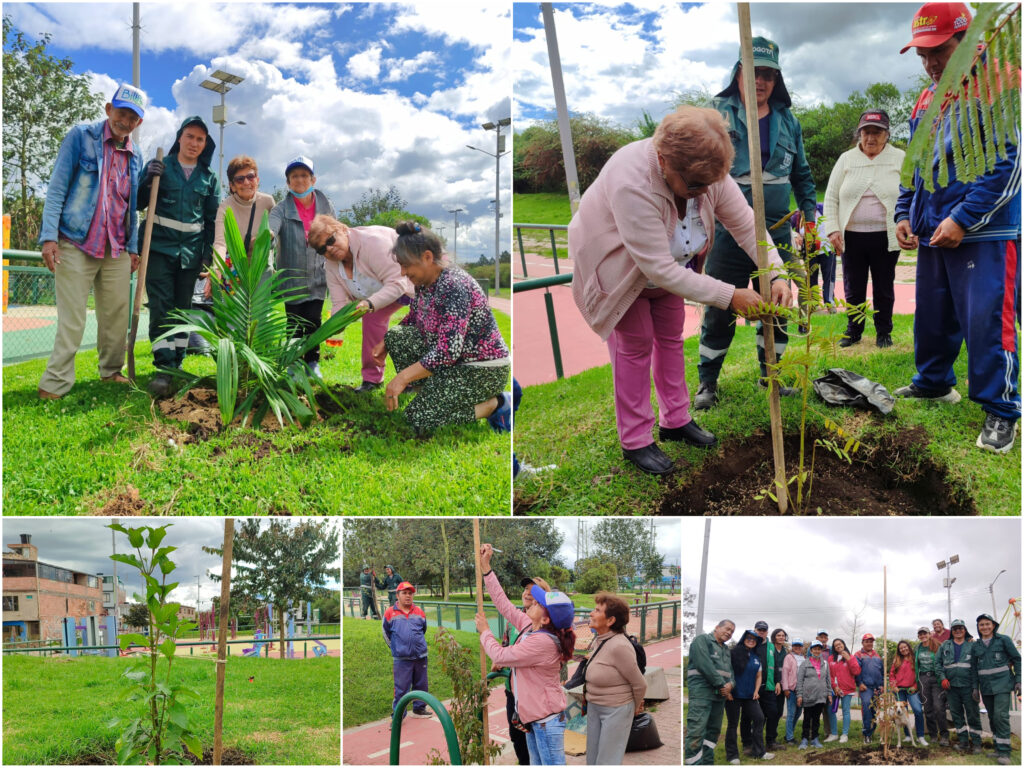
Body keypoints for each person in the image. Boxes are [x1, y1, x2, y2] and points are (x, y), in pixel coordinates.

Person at [568, 105, 790, 474]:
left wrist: (777, 272)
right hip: (621, 266)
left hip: (671, 267)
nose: (704, 193)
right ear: (664, 160)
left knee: (671, 336)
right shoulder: (633, 182)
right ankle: (636, 440)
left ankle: (676, 419)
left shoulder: (707, 172)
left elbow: (746, 224)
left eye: (710, 184)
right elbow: (656, 267)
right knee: (634, 344)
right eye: (695, 186)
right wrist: (731, 296)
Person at [894, 2, 1021, 453]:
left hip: (984, 230)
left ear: (966, 41)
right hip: (932, 226)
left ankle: (1002, 409)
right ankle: (933, 382)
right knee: (933, 315)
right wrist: (904, 212)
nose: (930, 64)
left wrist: (963, 219)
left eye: (939, 51)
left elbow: (1009, 164)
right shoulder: (928, 96)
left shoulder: (1002, 81)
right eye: (922, 55)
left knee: (987, 321)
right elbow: (915, 164)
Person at [693, 36, 816, 410]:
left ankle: (773, 379)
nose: (760, 81)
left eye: (768, 74)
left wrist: (810, 219)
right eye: (753, 72)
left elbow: (804, 178)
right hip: (728, 234)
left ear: (776, 80)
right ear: (738, 73)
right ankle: (707, 384)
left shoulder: (788, 122)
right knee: (719, 309)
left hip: (777, 233)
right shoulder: (715, 114)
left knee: (776, 306)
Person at [37, 84, 146, 400]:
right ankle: (55, 382)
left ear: (139, 123)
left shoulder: (134, 155)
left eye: (133, 117)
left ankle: (111, 371)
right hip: (75, 242)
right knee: (73, 318)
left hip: (117, 248)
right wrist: (48, 238)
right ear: (109, 109)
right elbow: (57, 188)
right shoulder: (80, 137)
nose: (125, 120)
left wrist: (134, 248)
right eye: (122, 112)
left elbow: (132, 205)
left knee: (115, 316)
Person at [372, 222, 511, 433]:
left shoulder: (454, 285)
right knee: (396, 335)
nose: (402, 271)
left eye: (406, 265)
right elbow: (415, 316)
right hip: (454, 364)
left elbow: (448, 351)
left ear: (427, 257)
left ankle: (496, 405)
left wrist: (402, 378)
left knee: (417, 419)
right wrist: (385, 341)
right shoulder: (424, 283)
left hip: (481, 370)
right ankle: (434, 397)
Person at [138, 116, 220, 397]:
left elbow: (211, 220)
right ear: (180, 137)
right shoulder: (162, 168)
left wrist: (208, 256)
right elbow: (138, 202)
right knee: (161, 309)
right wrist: (148, 179)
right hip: (159, 250)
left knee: (183, 311)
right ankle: (163, 368)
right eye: (190, 136)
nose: (195, 143)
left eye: (200, 139)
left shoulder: (209, 178)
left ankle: (177, 363)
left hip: (191, 255)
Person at [475, 543, 575, 766]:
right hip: (534, 720)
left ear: (546, 618)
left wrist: (485, 633)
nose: (530, 600)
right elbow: (504, 605)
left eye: (537, 601)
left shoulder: (542, 642)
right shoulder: (531, 627)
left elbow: (501, 655)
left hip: (546, 722)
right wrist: (487, 569)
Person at [823, 109, 906, 348]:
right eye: (866, 132)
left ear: (887, 135)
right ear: (859, 134)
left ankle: (883, 332)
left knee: (884, 285)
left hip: (886, 235)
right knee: (853, 285)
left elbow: (912, 193)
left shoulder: (899, 158)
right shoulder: (846, 159)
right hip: (852, 236)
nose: (871, 138)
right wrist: (833, 229)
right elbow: (830, 197)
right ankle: (853, 330)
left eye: (877, 133)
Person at [305, 215, 413, 391]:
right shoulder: (331, 266)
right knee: (372, 321)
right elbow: (340, 303)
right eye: (322, 249)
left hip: (415, 284)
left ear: (342, 229)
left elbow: (398, 283)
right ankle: (372, 380)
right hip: (380, 294)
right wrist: (335, 325)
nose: (329, 249)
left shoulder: (373, 243)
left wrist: (370, 304)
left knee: (412, 330)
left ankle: (414, 379)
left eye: (331, 240)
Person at [268, 156, 335, 379]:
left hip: (319, 275)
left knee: (314, 320)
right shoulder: (281, 209)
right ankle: (294, 363)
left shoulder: (325, 206)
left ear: (313, 179)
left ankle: (313, 363)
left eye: (304, 175)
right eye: (294, 176)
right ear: (288, 183)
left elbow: (336, 232)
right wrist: (268, 234)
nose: (299, 180)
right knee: (294, 322)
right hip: (292, 278)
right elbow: (272, 227)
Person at [582, 592, 647, 765]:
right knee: (593, 758)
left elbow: (640, 683)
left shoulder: (619, 646)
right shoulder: (600, 639)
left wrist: (632, 709)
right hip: (595, 705)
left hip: (616, 709)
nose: (591, 613)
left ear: (610, 621)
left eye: (597, 610)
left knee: (607, 760)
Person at [496, 576, 553, 766]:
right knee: (517, 736)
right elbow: (505, 647)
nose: (526, 593)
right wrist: (501, 661)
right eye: (525, 589)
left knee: (539, 744)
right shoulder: (515, 620)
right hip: (514, 690)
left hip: (535, 696)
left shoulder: (548, 625)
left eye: (533, 590)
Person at [685, 619, 736, 765]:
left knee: (713, 731)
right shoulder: (702, 640)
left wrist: (731, 685)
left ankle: (707, 762)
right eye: (727, 629)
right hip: (702, 693)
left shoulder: (726, 650)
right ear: (716, 627)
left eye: (732, 631)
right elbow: (704, 665)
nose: (729, 633)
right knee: (696, 731)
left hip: (719, 696)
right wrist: (722, 685)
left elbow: (731, 673)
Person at [973, 613, 1021, 765]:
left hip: (1002, 685)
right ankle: (998, 749)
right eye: (981, 625)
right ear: (978, 628)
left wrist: (1019, 680)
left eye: (988, 624)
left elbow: (1017, 660)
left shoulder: (1004, 640)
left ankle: (1005, 753)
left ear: (993, 625)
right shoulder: (976, 646)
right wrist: (975, 688)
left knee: (1001, 716)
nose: (985, 627)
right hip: (986, 688)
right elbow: (974, 669)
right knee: (993, 718)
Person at [382, 581, 431, 719]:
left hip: (420, 656)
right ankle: (398, 716)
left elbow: (423, 630)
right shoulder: (390, 613)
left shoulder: (419, 612)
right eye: (404, 593)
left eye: (410, 593)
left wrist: (417, 645)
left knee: (421, 685)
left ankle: (419, 709)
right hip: (402, 659)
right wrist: (396, 647)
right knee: (401, 689)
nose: (408, 596)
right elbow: (385, 633)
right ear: (397, 595)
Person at [725, 629, 774, 763]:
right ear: (743, 639)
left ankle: (759, 751)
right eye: (749, 638)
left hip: (749, 696)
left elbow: (758, 676)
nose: (751, 641)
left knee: (759, 718)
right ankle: (732, 755)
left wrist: (756, 691)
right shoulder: (733, 653)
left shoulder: (756, 658)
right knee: (732, 724)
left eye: (754, 639)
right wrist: (727, 691)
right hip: (733, 695)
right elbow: (726, 672)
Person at [937, 618, 983, 753]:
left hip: (968, 687)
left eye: (960, 628)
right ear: (952, 631)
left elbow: (975, 667)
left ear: (965, 630)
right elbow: (937, 664)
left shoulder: (972, 645)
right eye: (955, 628)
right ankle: (963, 742)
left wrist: (975, 687)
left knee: (973, 715)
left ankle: (977, 743)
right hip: (951, 688)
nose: (958, 631)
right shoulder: (945, 645)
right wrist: (942, 678)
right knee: (957, 716)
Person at [753, 626, 786, 753]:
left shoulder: (771, 647)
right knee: (758, 716)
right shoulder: (752, 643)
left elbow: (776, 666)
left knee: (773, 713)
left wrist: (777, 682)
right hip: (755, 686)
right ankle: (754, 742)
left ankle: (771, 741)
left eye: (764, 630)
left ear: (767, 632)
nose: (761, 632)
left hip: (769, 686)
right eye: (759, 630)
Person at [915, 626, 949, 746]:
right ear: (919, 636)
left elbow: (946, 659)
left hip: (936, 678)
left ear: (930, 634)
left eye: (925, 634)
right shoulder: (917, 648)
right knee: (928, 708)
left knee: (938, 707)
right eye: (920, 634)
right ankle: (933, 735)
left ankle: (944, 735)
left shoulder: (938, 646)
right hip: (923, 678)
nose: (923, 636)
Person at [890, 640, 928, 745]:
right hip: (900, 690)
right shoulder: (896, 660)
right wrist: (893, 685)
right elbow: (892, 674)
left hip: (912, 689)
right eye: (901, 648)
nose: (903, 649)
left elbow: (919, 674)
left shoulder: (915, 659)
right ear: (899, 650)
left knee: (918, 710)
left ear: (908, 647)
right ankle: (907, 735)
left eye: (905, 647)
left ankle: (920, 736)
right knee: (902, 712)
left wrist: (915, 686)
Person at [796, 640, 833, 749]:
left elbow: (828, 680)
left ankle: (814, 739)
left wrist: (829, 693)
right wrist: (799, 695)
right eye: (815, 649)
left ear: (821, 650)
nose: (817, 651)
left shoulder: (825, 664)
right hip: (808, 696)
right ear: (811, 650)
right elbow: (800, 681)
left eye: (819, 649)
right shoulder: (804, 664)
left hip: (820, 696)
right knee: (807, 718)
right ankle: (804, 739)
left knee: (816, 718)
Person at [828, 638, 861, 744]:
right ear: (833, 647)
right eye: (835, 645)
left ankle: (844, 734)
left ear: (844, 644)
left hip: (847, 689)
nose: (838, 646)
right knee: (831, 711)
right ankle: (834, 734)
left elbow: (856, 671)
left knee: (845, 711)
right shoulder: (831, 658)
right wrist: (834, 687)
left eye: (840, 644)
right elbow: (830, 675)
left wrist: (849, 659)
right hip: (835, 689)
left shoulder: (851, 657)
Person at [854, 633, 884, 743]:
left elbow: (882, 671)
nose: (869, 643)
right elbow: (856, 671)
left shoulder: (877, 655)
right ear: (862, 642)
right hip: (865, 687)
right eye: (867, 641)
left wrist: (882, 685)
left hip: (877, 688)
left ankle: (872, 730)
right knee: (866, 707)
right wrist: (859, 683)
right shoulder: (858, 654)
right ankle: (867, 734)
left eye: (871, 641)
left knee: (874, 710)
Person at [781, 638, 806, 745]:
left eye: (799, 646)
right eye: (795, 645)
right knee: (791, 714)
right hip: (791, 690)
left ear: (802, 647)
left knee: (798, 713)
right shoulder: (788, 657)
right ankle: (789, 738)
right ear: (792, 647)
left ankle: (788, 734)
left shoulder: (804, 658)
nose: (797, 647)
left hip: (802, 691)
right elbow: (785, 673)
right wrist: (785, 688)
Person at [813, 629, 837, 740]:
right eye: (820, 637)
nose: (822, 639)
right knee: (815, 708)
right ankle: (813, 732)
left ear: (827, 639)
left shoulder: (831, 650)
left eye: (824, 637)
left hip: (828, 682)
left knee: (828, 709)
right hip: (816, 682)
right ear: (817, 638)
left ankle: (829, 732)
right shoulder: (812, 649)